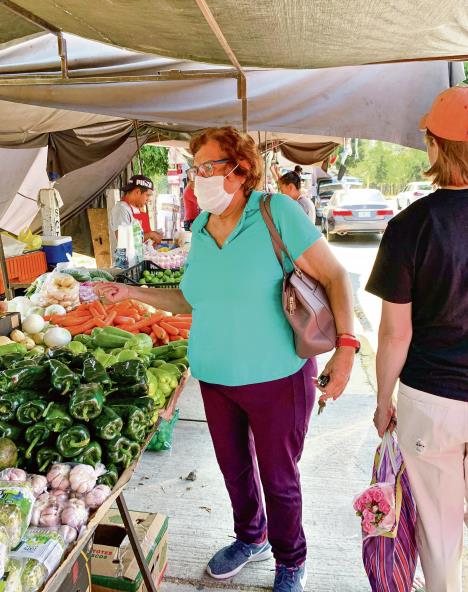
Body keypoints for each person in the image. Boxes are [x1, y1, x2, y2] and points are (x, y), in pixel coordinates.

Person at [97, 126, 356, 592]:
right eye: (196, 169)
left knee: (280, 479)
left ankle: (290, 558)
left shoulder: (277, 212)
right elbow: (192, 298)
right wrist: (129, 292)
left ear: (240, 170)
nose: (199, 178)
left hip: (278, 377)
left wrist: (346, 348)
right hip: (215, 377)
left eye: (208, 167)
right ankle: (250, 536)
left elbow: (336, 277)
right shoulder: (199, 227)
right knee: (234, 470)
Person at [366, 86, 468, 592]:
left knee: (440, 531)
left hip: (432, 401)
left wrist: (384, 399)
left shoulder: (410, 226)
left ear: (435, 146)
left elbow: (394, 332)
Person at [110, 175, 163, 246]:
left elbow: (140, 234)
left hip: (142, 254)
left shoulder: (137, 208)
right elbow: (123, 240)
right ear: (137, 192)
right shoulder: (121, 209)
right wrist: (150, 235)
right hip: (128, 256)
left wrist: (153, 236)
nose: (149, 199)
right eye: (147, 195)